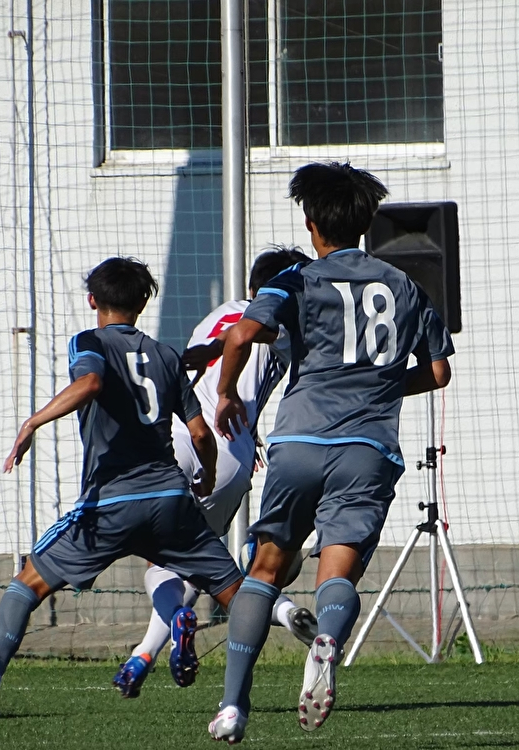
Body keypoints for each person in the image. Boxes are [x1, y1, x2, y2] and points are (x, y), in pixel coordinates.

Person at [206, 163, 454, 743]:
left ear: (311, 223)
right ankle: (326, 642)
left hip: (299, 443)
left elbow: (241, 335)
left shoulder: (293, 279)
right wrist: (382, 385)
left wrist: (226, 394)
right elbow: (439, 372)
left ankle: (232, 708)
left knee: (265, 569)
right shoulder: (405, 285)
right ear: (365, 223)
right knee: (336, 570)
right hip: (367, 449)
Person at [0, 257, 243, 719]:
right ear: (143, 304)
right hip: (170, 499)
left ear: (93, 301)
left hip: (111, 503)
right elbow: (201, 434)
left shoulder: (89, 341)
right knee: (239, 595)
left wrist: (32, 422)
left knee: (27, 585)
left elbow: (91, 381)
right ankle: (246, 692)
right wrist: (206, 473)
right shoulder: (166, 355)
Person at [112, 246, 316, 699]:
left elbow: (203, 361)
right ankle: (147, 654)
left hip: (183, 435)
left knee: (164, 559)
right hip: (230, 454)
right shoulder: (289, 326)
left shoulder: (219, 313)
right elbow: (250, 354)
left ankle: (147, 651)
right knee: (194, 561)